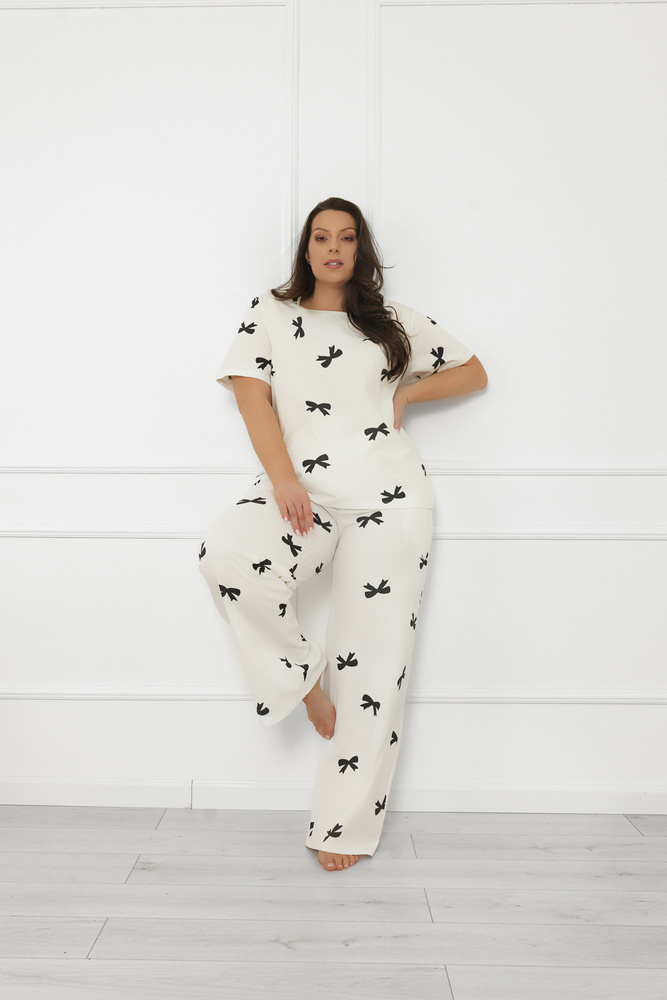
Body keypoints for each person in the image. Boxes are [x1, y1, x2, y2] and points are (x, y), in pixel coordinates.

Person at [198, 196, 487, 872]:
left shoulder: (388, 323)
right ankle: (304, 681)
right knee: (227, 557)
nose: (333, 248)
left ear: (360, 250)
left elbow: (473, 371)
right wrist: (284, 480)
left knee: (376, 662)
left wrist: (406, 394)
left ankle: (342, 827)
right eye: (322, 237)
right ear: (305, 248)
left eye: (347, 238)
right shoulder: (270, 313)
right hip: (304, 490)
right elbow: (250, 396)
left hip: (392, 497)